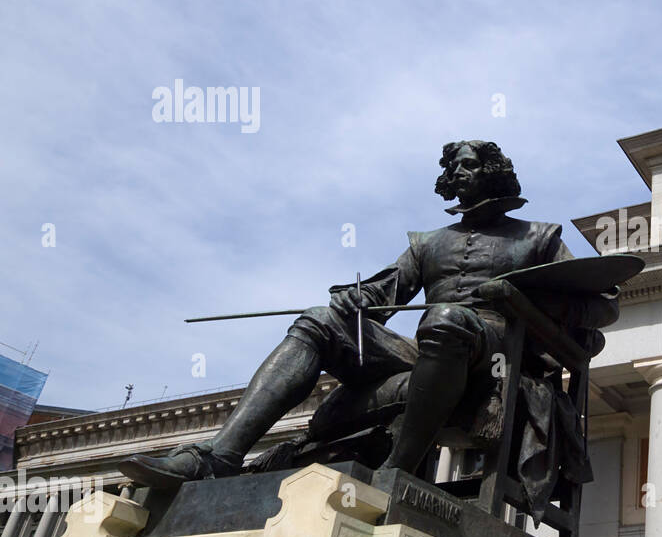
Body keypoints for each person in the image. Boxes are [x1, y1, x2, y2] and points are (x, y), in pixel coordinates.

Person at [121, 140, 574, 490]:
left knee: (446, 320)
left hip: (494, 359)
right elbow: (386, 291)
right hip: (426, 350)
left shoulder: (539, 238)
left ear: (494, 172)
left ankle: (398, 472)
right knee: (319, 318)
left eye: (469, 164)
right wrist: (355, 299)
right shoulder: (429, 242)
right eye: (452, 167)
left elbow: (597, 310)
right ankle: (220, 456)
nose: (458, 171)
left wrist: (517, 301)